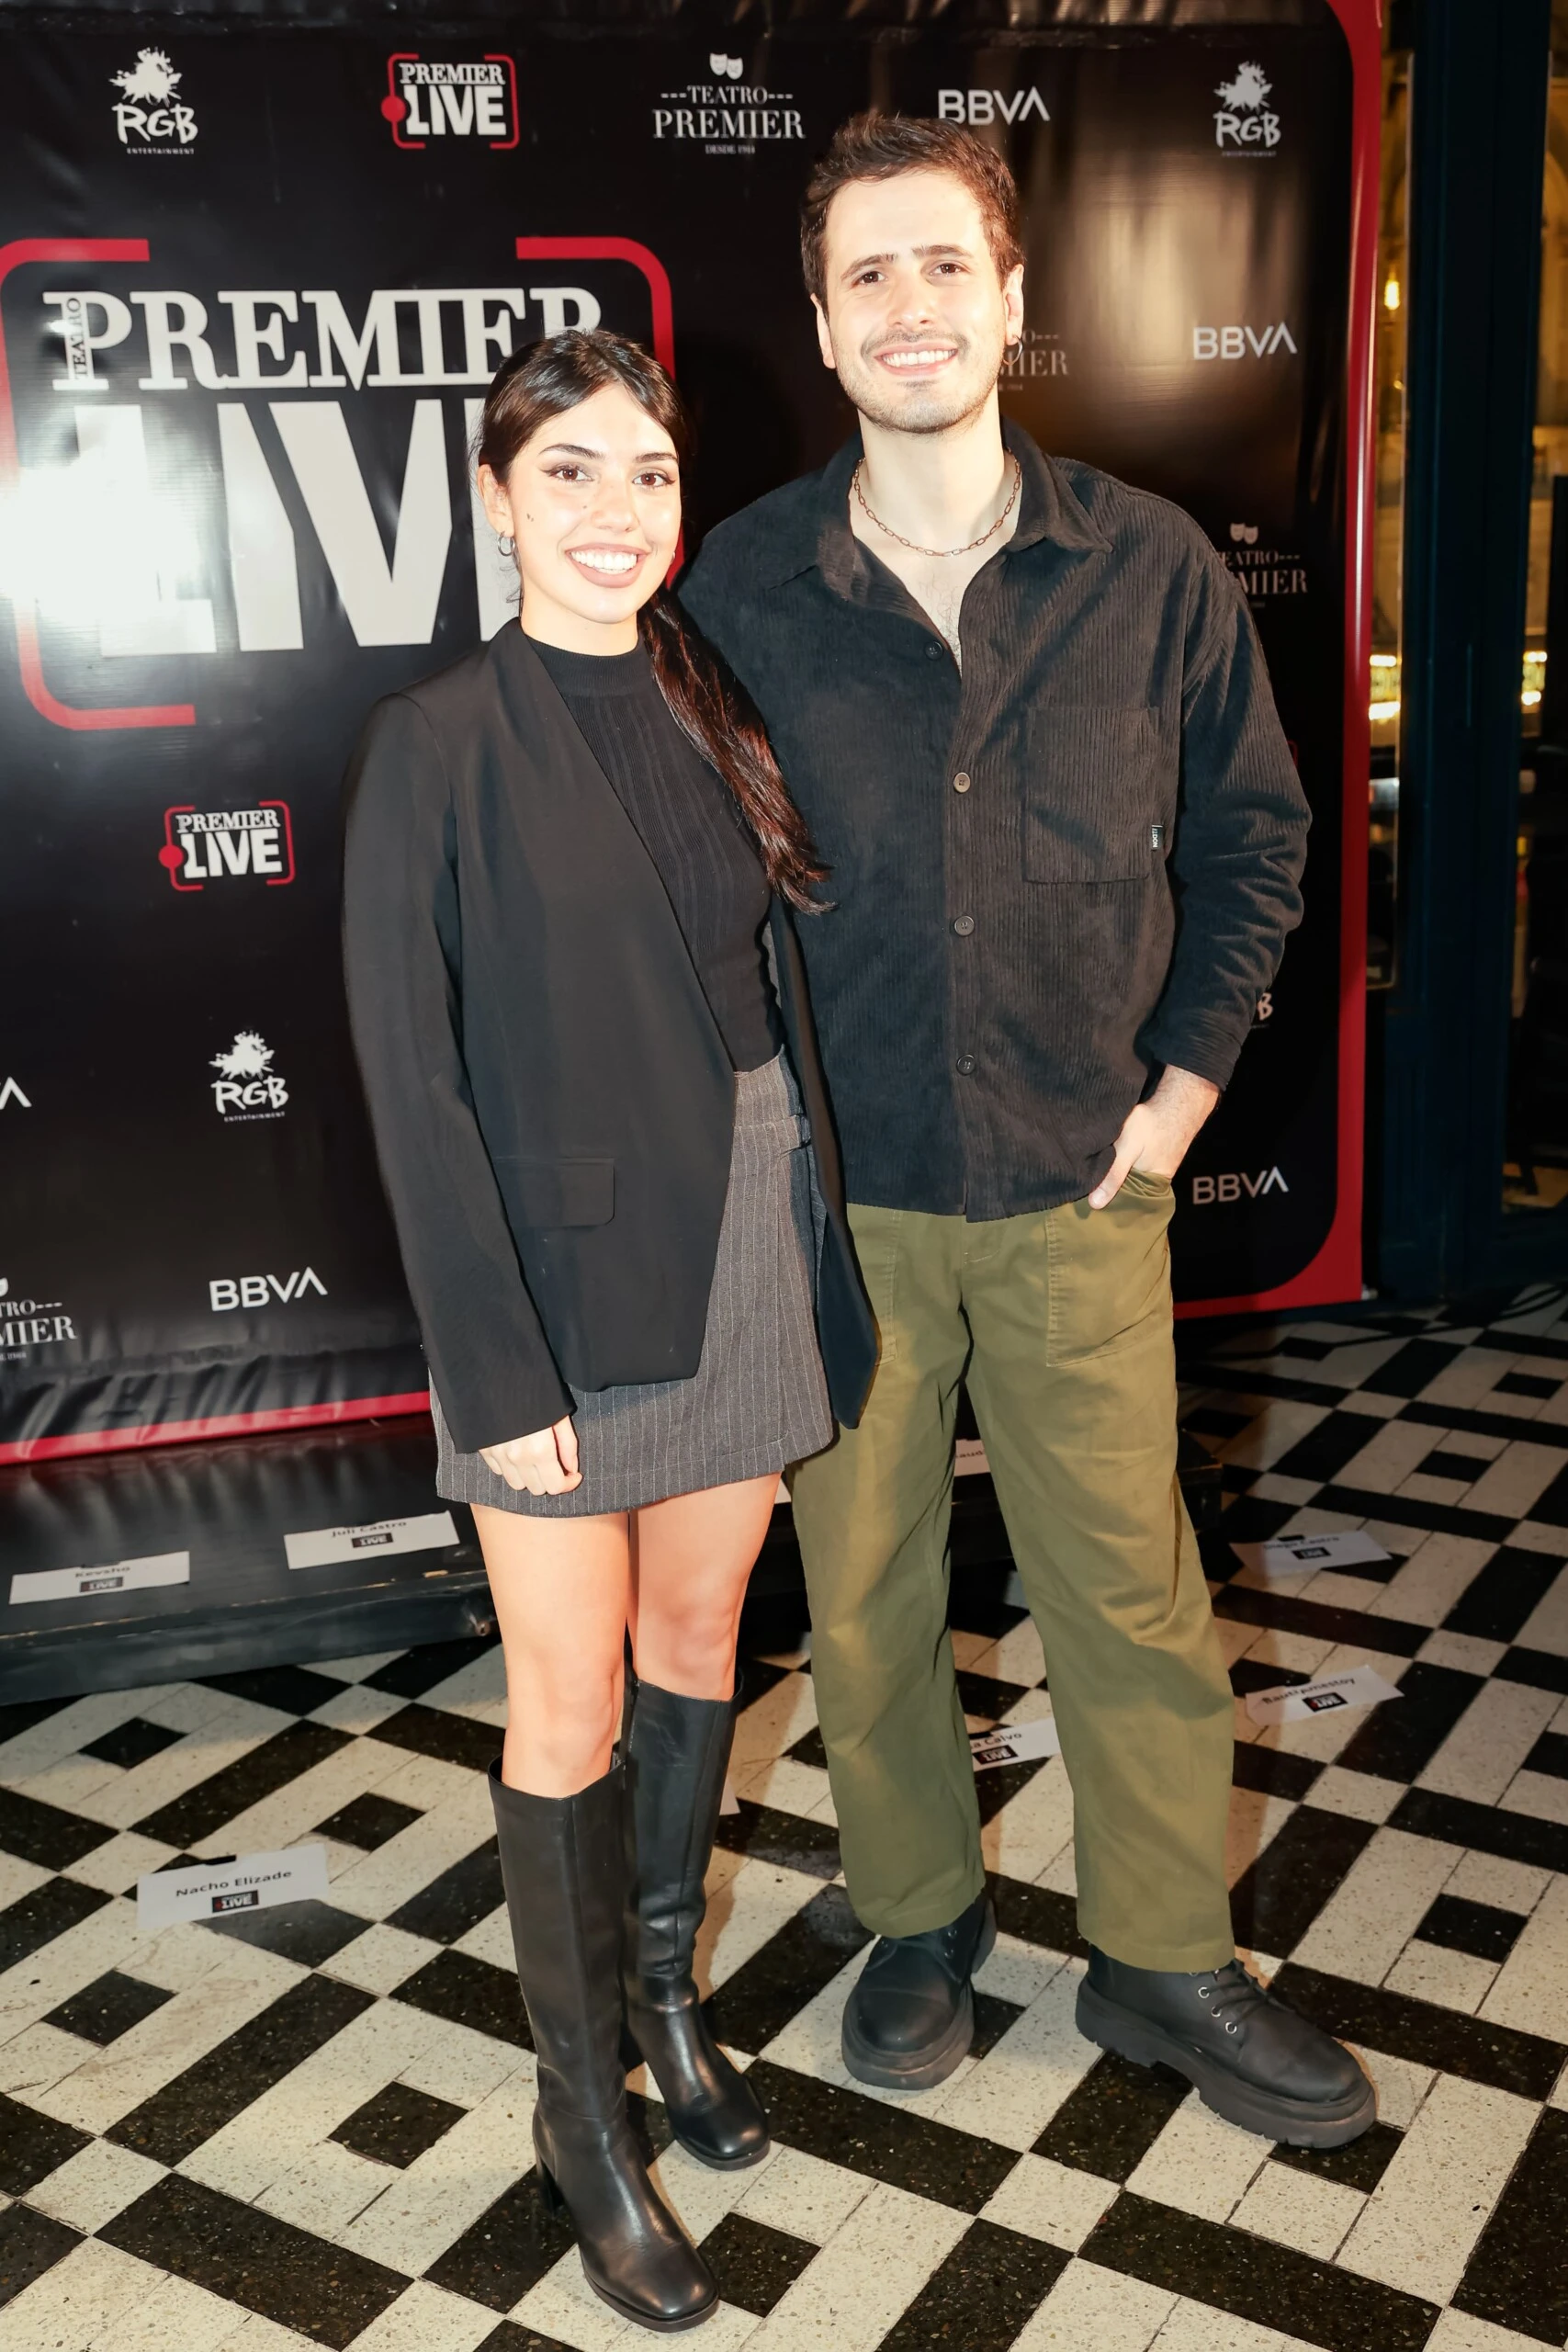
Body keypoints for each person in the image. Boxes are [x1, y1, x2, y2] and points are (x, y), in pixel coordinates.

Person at [682, 114, 1375, 2150]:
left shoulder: (1148, 566)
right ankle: (918, 1915)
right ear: (823, 325)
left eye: (943, 265)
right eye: (866, 275)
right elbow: (687, 889)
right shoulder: (742, 586)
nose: (908, 306)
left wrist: (1180, 1088)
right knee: (864, 1589)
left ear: (1010, 299)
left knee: (1130, 1591)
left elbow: (1258, 838)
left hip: (1086, 1186)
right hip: (847, 1201)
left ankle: (1160, 1953)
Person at [342, 328, 876, 2332]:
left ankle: (662, 1999)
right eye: (566, 469)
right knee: (562, 1705)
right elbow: (413, 1083)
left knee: (697, 1644)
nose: (613, 509)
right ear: (495, 497)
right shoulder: (434, 742)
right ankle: (579, 2114)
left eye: (646, 472)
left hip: (747, 1221)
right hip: (559, 1288)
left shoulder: (702, 691)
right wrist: (496, 1367)